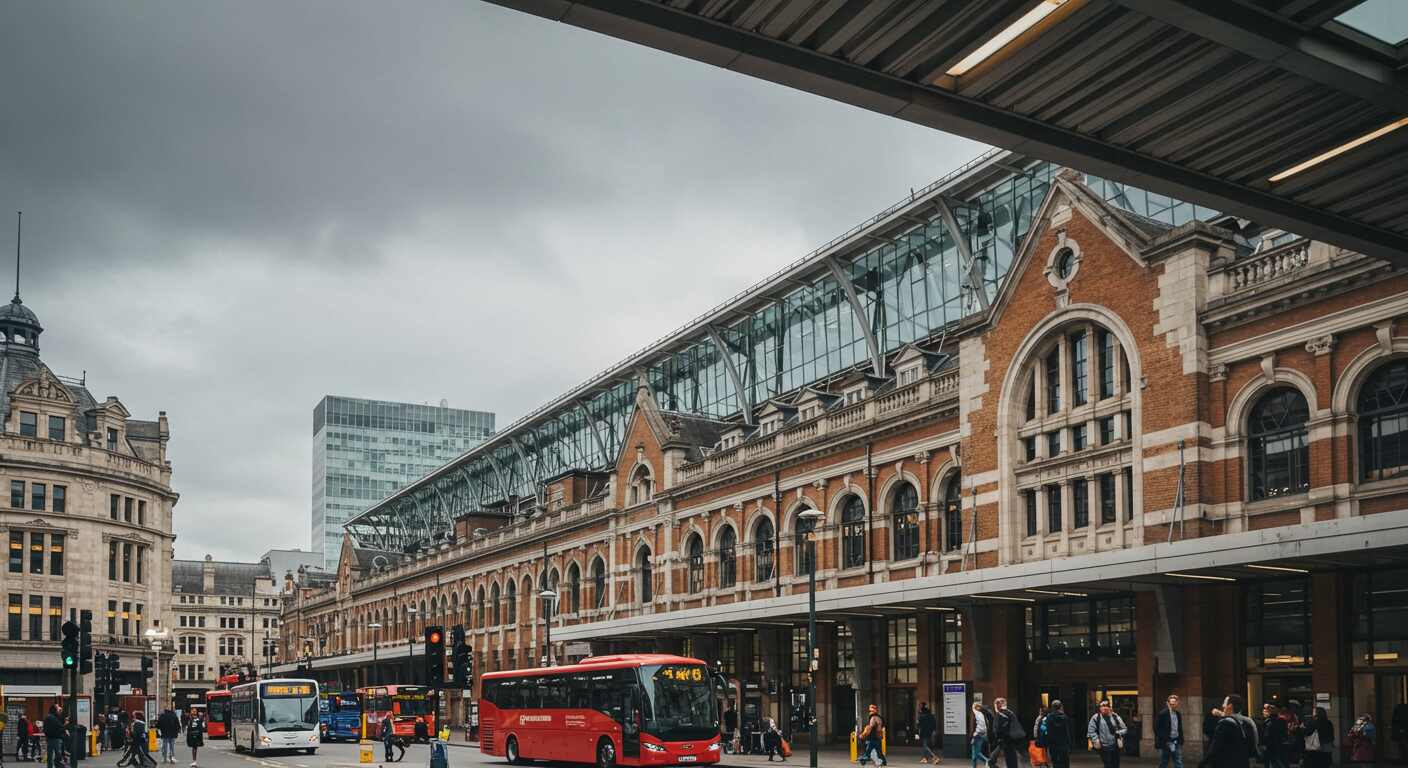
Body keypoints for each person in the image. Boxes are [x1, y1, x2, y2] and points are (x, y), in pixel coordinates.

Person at [1199, 695, 1255, 768]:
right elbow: (1252, 746)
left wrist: (1202, 763)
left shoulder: (1224, 724)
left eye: (1224, 703)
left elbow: (1215, 748)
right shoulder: (1246, 723)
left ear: (1230, 706)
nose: (1222, 706)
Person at [1086, 700, 1127, 768]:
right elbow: (1091, 731)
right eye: (1103, 706)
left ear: (1110, 707)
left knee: (1116, 765)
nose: (1105, 708)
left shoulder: (1115, 717)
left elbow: (1124, 729)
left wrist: (1118, 733)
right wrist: (1096, 739)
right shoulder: (1096, 717)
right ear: (1100, 708)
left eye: (1107, 706)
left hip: (1115, 747)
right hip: (1103, 747)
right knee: (1108, 765)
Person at [992, 698, 1025, 768]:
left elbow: (998, 730)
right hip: (1012, 740)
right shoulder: (1010, 713)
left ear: (998, 705)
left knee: (1010, 761)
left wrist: (998, 738)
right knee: (1012, 760)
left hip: (1006, 741)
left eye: (995, 705)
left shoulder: (1000, 715)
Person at [1156, 695, 1185, 768]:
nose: (1173, 705)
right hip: (1166, 742)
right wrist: (1164, 739)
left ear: (1177, 703)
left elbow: (1179, 728)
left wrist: (1181, 739)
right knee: (1164, 761)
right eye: (1171, 703)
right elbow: (1157, 728)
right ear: (1168, 703)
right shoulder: (1162, 714)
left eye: (1174, 703)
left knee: (1178, 761)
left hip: (1176, 741)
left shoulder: (1178, 714)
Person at [1043, 701, 1071, 768]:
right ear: (1061, 707)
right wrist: (1069, 744)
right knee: (1065, 762)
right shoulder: (1065, 717)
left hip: (1052, 744)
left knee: (1055, 762)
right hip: (1063, 744)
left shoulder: (1049, 718)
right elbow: (1067, 732)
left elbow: (1046, 731)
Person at [1262, 703, 1289, 768]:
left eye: (1272, 708)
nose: (1270, 710)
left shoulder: (1279, 720)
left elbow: (1265, 734)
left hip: (1275, 745)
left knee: (1275, 762)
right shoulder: (1268, 721)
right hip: (1274, 745)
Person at [972, 702, 990, 768]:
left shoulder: (977, 713)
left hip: (978, 735)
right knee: (974, 754)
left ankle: (987, 761)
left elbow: (982, 726)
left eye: (973, 707)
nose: (972, 708)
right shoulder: (982, 714)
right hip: (981, 734)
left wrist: (976, 732)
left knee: (976, 753)